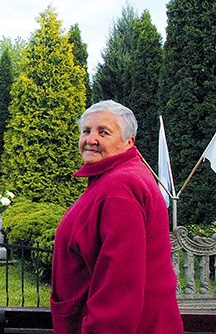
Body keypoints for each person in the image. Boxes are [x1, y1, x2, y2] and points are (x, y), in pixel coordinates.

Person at [50, 100, 183, 333]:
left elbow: (120, 286)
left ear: (128, 142)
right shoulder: (112, 178)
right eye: (86, 131)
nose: (90, 139)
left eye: (104, 132)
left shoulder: (119, 188)